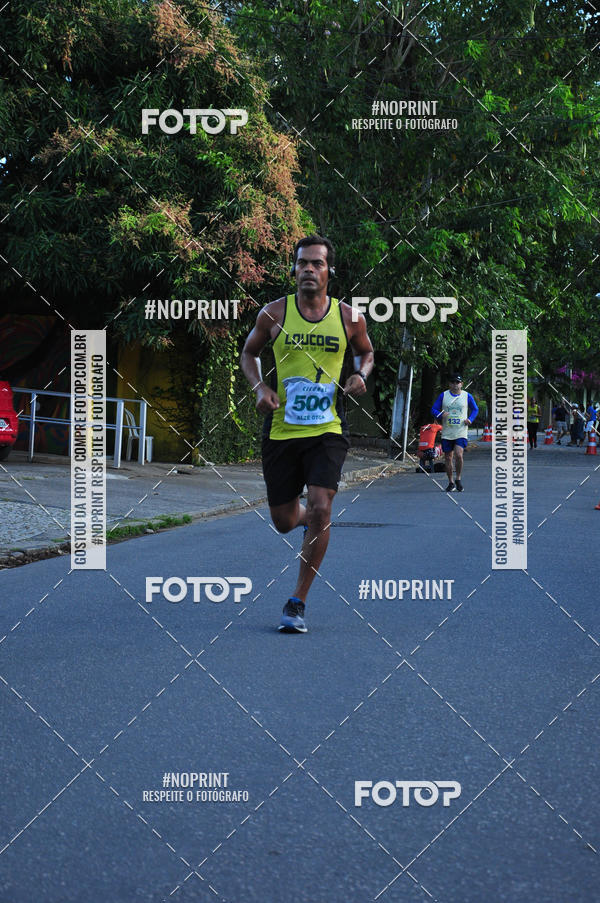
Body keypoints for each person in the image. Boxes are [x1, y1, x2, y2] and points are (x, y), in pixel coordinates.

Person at [240, 235, 374, 633]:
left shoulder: (349, 318)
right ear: (294, 269)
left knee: (321, 507)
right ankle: (306, 520)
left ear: (330, 271)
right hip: (282, 430)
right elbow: (249, 353)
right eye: (302, 263)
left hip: (327, 429)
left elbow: (366, 353)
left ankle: (297, 602)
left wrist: (360, 374)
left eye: (317, 263)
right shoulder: (274, 314)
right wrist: (259, 388)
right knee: (284, 521)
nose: (309, 270)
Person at [431, 375, 478, 492]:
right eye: (453, 382)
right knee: (448, 457)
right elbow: (433, 409)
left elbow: (475, 409)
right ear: (449, 384)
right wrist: (440, 414)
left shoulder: (467, 396)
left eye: (457, 382)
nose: (455, 385)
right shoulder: (444, 395)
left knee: (459, 455)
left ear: (461, 384)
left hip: (461, 431)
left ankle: (458, 479)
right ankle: (451, 482)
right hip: (447, 432)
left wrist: (470, 419)